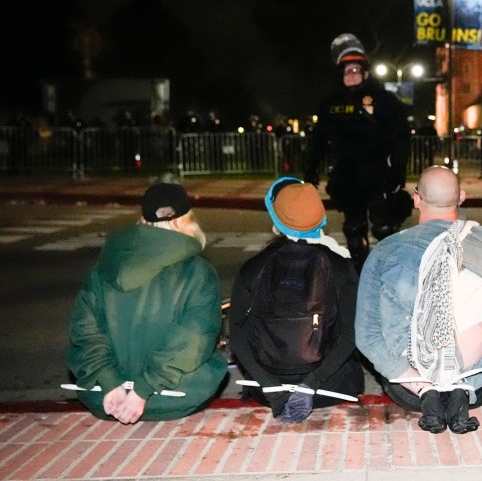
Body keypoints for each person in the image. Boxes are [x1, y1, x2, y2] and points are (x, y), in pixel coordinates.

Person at [356, 166, 482, 433]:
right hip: (477, 383)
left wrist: (422, 386)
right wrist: (469, 382)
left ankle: (427, 393)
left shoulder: (385, 251)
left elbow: (366, 335)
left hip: (409, 390)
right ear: (461, 196)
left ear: (416, 199)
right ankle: (461, 388)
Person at [66, 182, 227, 423]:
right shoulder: (198, 272)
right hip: (175, 396)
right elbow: (194, 339)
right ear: (185, 219)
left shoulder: (104, 267)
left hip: (106, 398)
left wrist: (110, 382)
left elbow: (85, 330)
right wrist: (143, 389)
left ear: (143, 218)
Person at [229, 178, 363, 423]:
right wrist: (309, 385)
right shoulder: (340, 266)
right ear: (320, 217)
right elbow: (350, 336)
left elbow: (237, 335)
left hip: (266, 388)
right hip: (327, 388)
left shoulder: (252, 268)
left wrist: (272, 388)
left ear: (276, 220)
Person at [304, 33, 411, 271]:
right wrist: (310, 170)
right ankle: (361, 272)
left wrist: (398, 171)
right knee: (354, 229)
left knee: (384, 228)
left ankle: (393, 270)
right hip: (347, 176)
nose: (351, 75)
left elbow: (401, 137)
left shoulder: (384, 100)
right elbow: (318, 139)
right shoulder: (330, 104)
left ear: (365, 72)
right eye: (347, 71)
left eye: (355, 70)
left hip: (379, 175)